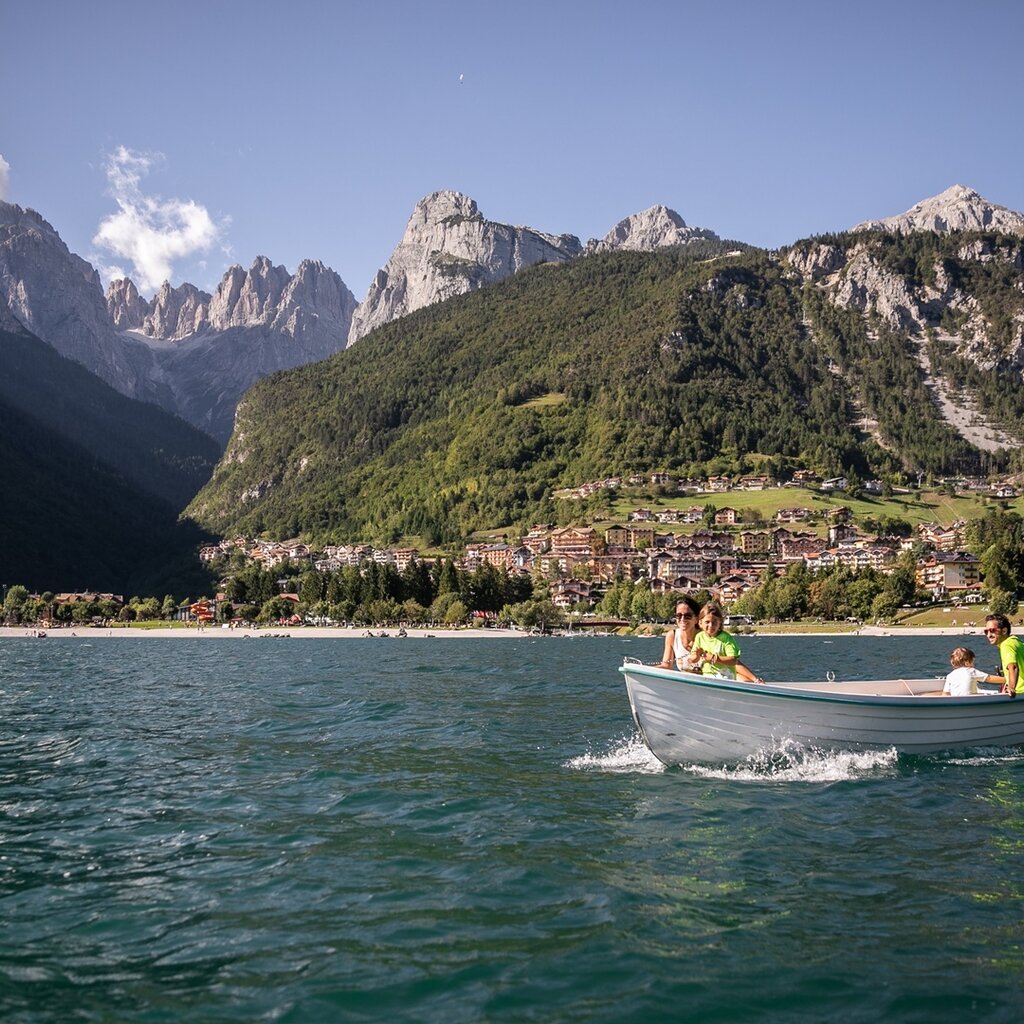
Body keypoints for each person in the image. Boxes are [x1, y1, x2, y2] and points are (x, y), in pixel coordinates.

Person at [686, 602, 743, 679]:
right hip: (707, 675)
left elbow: (733, 660)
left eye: (714, 622)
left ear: (720, 623)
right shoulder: (699, 637)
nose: (711, 626)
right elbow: (693, 659)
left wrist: (714, 658)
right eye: (707, 622)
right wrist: (696, 655)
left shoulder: (726, 638)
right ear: (700, 623)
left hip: (726, 676)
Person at [983, 614, 1024, 698]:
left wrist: (1011, 688)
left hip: (1019, 692)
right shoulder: (1017, 642)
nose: (989, 635)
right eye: (986, 631)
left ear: (1004, 631)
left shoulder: (1006, 645)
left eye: (992, 630)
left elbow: (1013, 667)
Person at [657, 596, 700, 670]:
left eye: (688, 616)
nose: (682, 619)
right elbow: (666, 666)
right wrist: (643, 670)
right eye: (679, 616)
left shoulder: (706, 636)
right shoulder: (672, 636)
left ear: (696, 619)